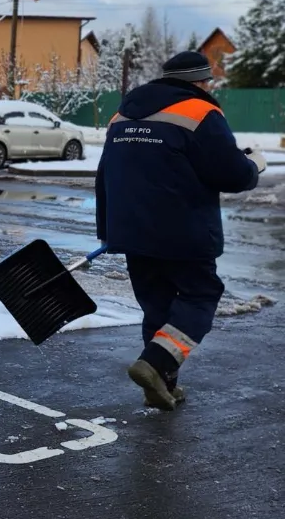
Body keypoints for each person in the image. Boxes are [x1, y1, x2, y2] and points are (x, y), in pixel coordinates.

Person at [95, 51, 266, 410]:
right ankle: (155, 364)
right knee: (201, 296)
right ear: (201, 82)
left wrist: (108, 229)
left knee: (157, 304)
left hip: (132, 232)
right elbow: (232, 174)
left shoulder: (121, 115)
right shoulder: (200, 112)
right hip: (183, 232)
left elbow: (104, 176)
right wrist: (253, 166)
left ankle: (162, 386)